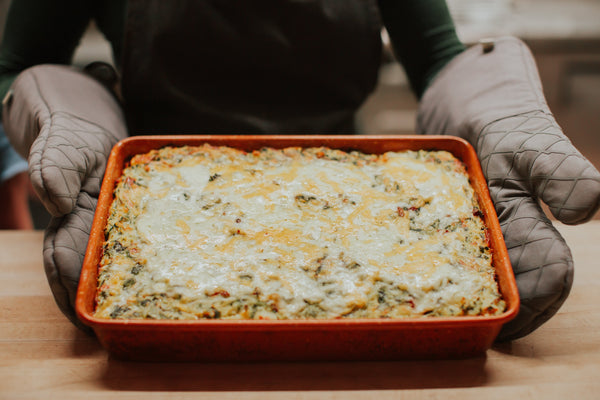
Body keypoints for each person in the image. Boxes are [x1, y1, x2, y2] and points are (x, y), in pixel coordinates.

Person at [1, 0, 599, 341]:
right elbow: (17, 64)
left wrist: (493, 107)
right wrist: (69, 115)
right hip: (152, 194)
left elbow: (439, 57)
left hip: (357, 198)